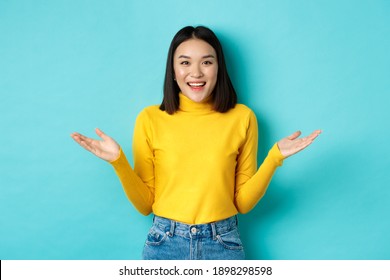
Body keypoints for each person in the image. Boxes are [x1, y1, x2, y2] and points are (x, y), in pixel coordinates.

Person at [71, 26, 321, 260]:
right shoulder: (150, 119)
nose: (196, 72)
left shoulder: (242, 118)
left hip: (223, 243)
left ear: (218, 68)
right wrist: (118, 162)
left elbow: (242, 204)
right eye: (185, 62)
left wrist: (274, 158)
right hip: (164, 244)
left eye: (207, 62)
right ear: (173, 70)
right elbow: (145, 205)